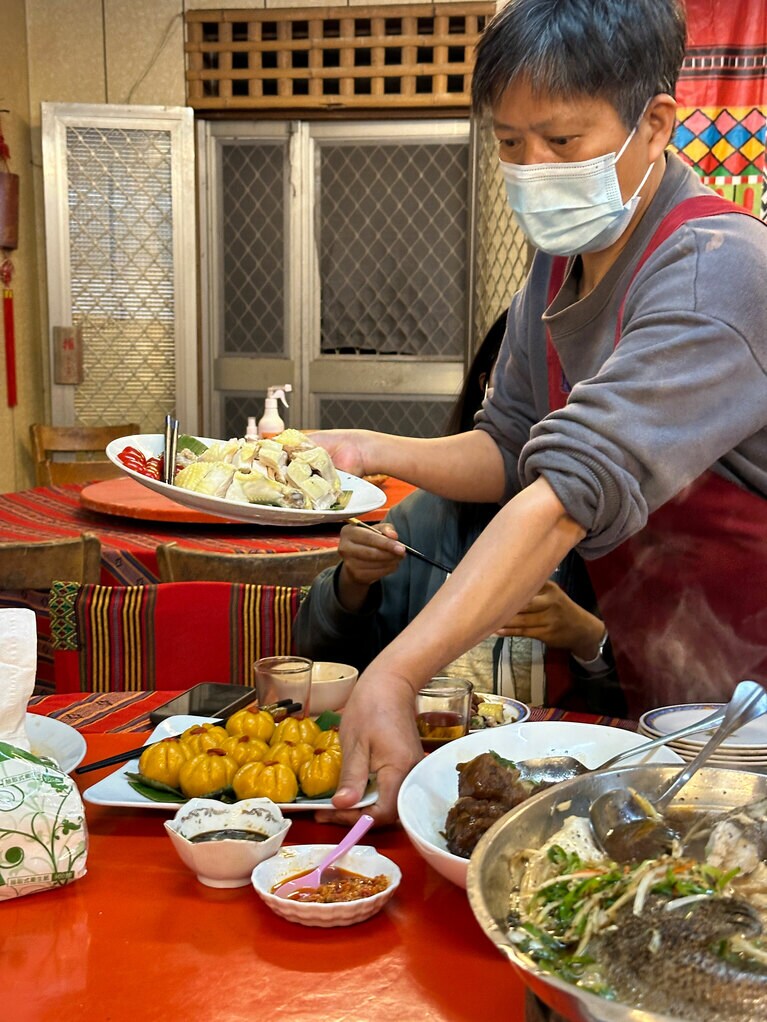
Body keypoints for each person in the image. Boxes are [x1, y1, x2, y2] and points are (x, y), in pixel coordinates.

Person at [311, 0, 767, 826]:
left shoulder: (716, 270)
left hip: (751, 693)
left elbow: (564, 493)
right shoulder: (561, 266)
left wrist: (395, 673)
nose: (532, 168)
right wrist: (366, 447)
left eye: (561, 142)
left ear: (656, 123)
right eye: (509, 143)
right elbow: (509, 445)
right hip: (660, 672)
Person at [295, 314, 618, 711]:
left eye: (563, 393)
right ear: (487, 392)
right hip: (432, 747)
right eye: (519, 389)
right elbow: (327, 657)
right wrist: (353, 584)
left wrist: (590, 639)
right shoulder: (423, 519)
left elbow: (647, 698)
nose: (542, 414)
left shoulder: (615, 532)